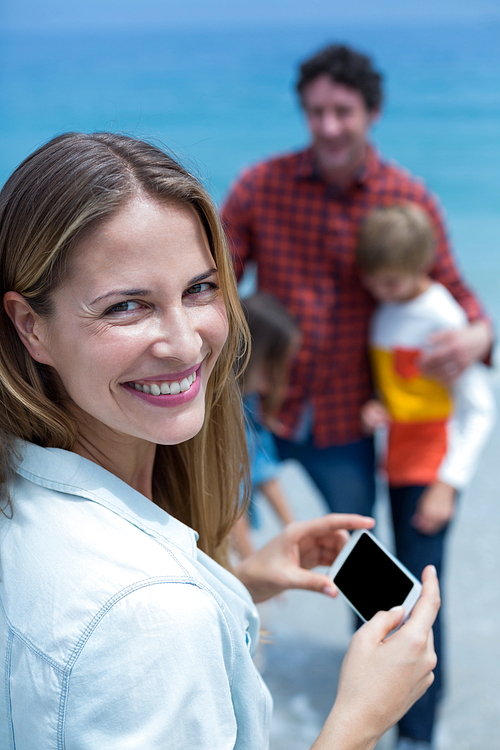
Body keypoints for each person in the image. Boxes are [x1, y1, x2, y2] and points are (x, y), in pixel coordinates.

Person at [0, 132, 440, 749]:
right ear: (31, 328)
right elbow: (131, 625)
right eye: (128, 305)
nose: (185, 344)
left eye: (200, 289)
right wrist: (359, 721)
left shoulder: (21, 490)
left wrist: (232, 583)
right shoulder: (149, 613)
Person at [221, 43, 492, 521]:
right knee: (212, 536)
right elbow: (213, 282)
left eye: (343, 112)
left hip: (347, 417)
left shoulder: (407, 198)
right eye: (316, 112)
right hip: (260, 405)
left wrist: (481, 335)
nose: (328, 127)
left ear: (373, 112)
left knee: (358, 557)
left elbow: (454, 289)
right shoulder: (260, 185)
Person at [356, 203, 494, 749]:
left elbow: (478, 408)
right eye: (372, 280)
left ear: (421, 268)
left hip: (431, 474)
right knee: (396, 587)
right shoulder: (384, 310)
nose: (380, 290)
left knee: (425, 599)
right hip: (398, 465)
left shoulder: (441, 318)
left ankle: (420, 731)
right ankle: (394, 707)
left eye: (389, 281)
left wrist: (448, 483)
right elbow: (407, 392)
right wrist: (378, 409)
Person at [232, 291, 299, 557]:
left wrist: (295, 532)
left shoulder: (248, 399)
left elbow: (263, 467)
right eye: (275, 366)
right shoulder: (216, 410)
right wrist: (251, 566)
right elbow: (227, 502)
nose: (278, 378)